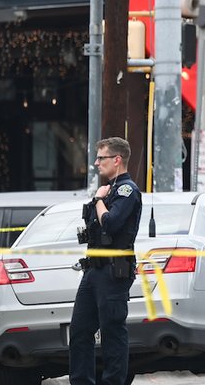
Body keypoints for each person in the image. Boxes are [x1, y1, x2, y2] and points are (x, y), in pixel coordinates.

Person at [69, 137, 143, 385]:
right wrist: (98, 199)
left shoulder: (126, 190)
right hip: (93, 270)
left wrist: (99, 200)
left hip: (114, 271)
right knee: (79, 330)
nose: (96, 163)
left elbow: (111, 223)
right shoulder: (107, 190)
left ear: (117, 160)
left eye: (101, 158)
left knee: (112, 331)